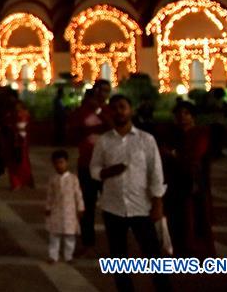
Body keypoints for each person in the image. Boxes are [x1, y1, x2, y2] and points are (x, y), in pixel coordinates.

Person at [91, 94, 169, 292]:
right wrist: (108, 172)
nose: (119, 111)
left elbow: (156, 172)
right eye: (114, 108)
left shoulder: (146, 140)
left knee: (153, 255)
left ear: (130, 110)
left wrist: (158, 202)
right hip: (113, 206)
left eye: (122, 107)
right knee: (119, 258)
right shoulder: (104, 141)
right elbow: (94, 169)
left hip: (141, 206)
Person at [162, 101, 215, 258]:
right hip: (174, 183)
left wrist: (174, 154)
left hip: (194, 184)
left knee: (195, 220)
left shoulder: (200, 133)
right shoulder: (171, 134)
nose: (182, 117)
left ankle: (198, 253)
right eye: (179, 114)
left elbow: (195, 154)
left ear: (193, 116)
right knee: (176, 220)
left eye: (186, 113)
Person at [70, 81, 113, 251]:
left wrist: (99, 112)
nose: (103, 94)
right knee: (88, 204)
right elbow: (74, 133)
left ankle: (114, 241)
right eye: (101, 90)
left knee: (111, 204)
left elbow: (112, 128)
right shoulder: (82, 111)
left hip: (108, 165)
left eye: (107, 91)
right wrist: (95, 129)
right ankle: (88, 241)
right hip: (87, 163)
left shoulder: (109, 110)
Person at [44, 149, 84, 263]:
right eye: (56, 163)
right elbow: (50, 195)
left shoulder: (73, 178)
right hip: (56, 211)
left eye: (61, 162)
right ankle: (53, 256)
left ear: (66, 162)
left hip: (70, 212)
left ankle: (69, 256)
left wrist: (80, 208)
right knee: (54, 235)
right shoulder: (53, 179)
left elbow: (78, 194)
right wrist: (48, 207)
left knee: (69, 236)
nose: (59, 165)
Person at [5, 98, 34, 190]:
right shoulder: (11, 115)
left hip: (22, 141)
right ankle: (16, 182)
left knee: (22, 161)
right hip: (14, 141)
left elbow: (28, 126)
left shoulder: (23, 114)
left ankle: (23, 181)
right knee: (15, 162)